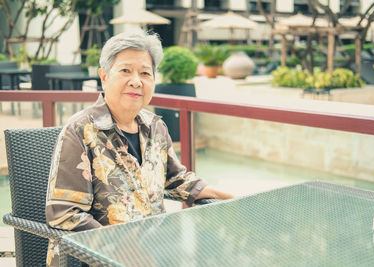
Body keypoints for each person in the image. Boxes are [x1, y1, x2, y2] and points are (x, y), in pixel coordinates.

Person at [45, 29, 234, 266]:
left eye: (145, 73)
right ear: (104, 77)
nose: (136, 80)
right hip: (95, 257)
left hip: (154, 251)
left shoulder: (155, 126)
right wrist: (120, 248)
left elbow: (176, 179)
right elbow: (65, 213)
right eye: (125, 70)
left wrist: (225, 195)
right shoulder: (80, 130)